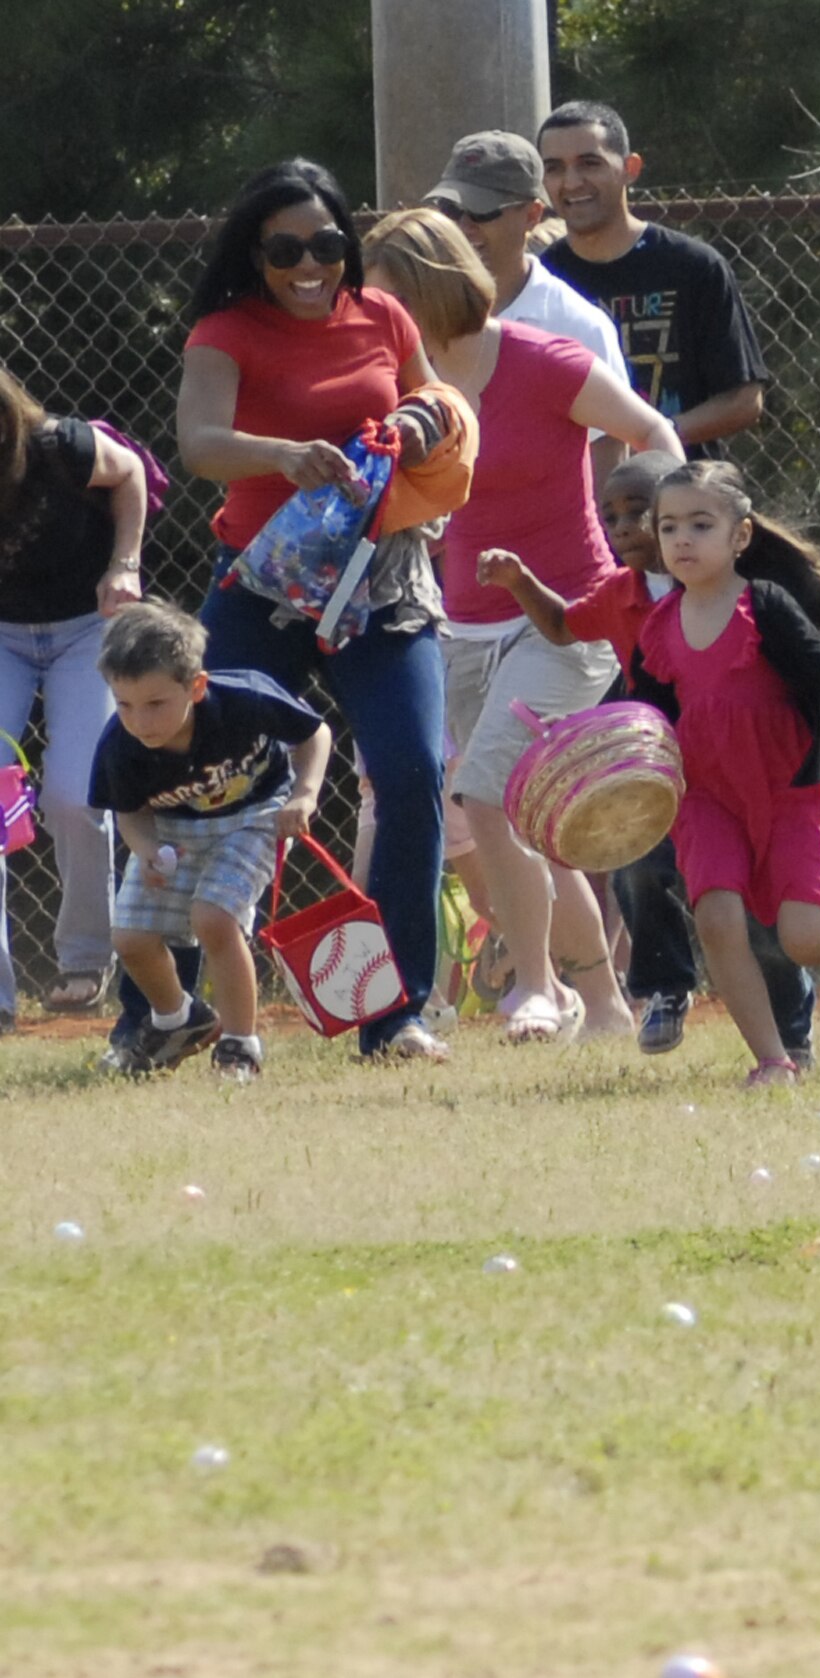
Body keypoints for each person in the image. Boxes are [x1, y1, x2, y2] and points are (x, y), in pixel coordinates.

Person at [361, 207, 683, 1045]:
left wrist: (667, 549)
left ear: (429, 288)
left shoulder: (541, 361)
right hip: (459, 623)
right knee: (526, 814)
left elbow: (650, 431)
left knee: (485, 794)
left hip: (567, 617)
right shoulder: (402, 385)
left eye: (385, 295)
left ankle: (537, 988)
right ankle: (605, 1005)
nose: (371, 314)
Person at [170, 158, 450, 1065]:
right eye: (286, 248)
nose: (309, 264)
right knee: (204, 775)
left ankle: (396, 1014)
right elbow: (200, 443)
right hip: (265, 585)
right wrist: (285, 455)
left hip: (382, 576)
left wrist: (419, 421)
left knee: (409, 775)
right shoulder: (225, 329)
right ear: (255, 253)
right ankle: (174, 1010)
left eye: (326, 245)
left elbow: (435, 394)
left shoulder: (384, 313)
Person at [478, 450, 818, 1063]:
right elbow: (561, 625)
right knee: (638, 865)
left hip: (739, 777)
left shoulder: (738, 596)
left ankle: (793, 1030)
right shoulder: (622, 593)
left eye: (642, 511)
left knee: (765, 915)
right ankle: (664, 988)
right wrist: (519, 582)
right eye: (611, 515)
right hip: (665, 780)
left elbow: (805, 676)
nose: (624, 527)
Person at [626, 461, 820, 1087]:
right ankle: (772, 1060)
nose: (683, 540)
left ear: (740, 536)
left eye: (701, 524)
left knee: (801, 937)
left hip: (790, 792)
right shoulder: (657, 628)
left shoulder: (765, 606)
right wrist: (579, 745)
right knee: (718, 920)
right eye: (670, 528)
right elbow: (638, 714)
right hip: (707, 798)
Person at [88, 601, 330, 1079]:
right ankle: (180, 1020)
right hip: (173, 832)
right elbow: (129, 812)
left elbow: (314, 733)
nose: (140, 721)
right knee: (131, 937)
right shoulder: (121, 743)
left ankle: (240, 1046)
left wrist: (304, 795)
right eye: (125, 705)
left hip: (255, 815)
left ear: (195, 687)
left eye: (156, 704)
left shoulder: (242, 699)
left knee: (214, 919)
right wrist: (146, 852)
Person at [0, 371, 151, 1029]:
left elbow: (133, 475)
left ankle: (86, 958)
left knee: (73, 793)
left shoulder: (59, 444)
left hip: (85, 626)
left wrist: (126, 562)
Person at [538, 101, 768, 457]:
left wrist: (654, 436)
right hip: (577, 499)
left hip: (678, 495)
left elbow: (743, 400)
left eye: (590, 163)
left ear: (630, 168)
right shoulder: (541, 280)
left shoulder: (694, 266)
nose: (571, 182)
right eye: (554, 168)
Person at [422, 129, 629, 487]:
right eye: (450, 209)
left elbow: (608, 464)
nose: (464, 227)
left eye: (482, 212)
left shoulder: (576, 325)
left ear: (532, 215)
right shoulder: (416, 314)